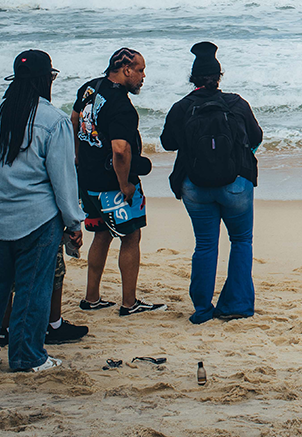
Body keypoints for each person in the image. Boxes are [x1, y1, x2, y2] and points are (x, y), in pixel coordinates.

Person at [0, 50, 84, 372]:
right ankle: (26, 356)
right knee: (33, 291)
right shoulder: (53, 119)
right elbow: (63, 179)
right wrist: (73, 221)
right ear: (47, 79)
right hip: (38, 219)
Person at [160, 42, 263, 324]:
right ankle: (238, 304)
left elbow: (167, 143)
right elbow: (256, 137)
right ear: (219, 77)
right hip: (236, 184)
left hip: (194, 185)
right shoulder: (237, 103)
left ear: (193, 78)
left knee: (205, 244)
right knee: (241, 240)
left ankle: (203, 308)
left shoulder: (182, 107)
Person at [73, 48, 163, 316]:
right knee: (131, 236)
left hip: (87, 179)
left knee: (101, 234)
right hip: (112, 185)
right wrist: (125, 185)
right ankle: (129, 303)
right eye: (140, 70)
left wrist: (78, 156)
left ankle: (91, 298)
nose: (143, 76)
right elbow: (121, 149)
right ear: (126, 70)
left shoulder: (90, 88)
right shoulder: (121, 105)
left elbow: (75, 118)